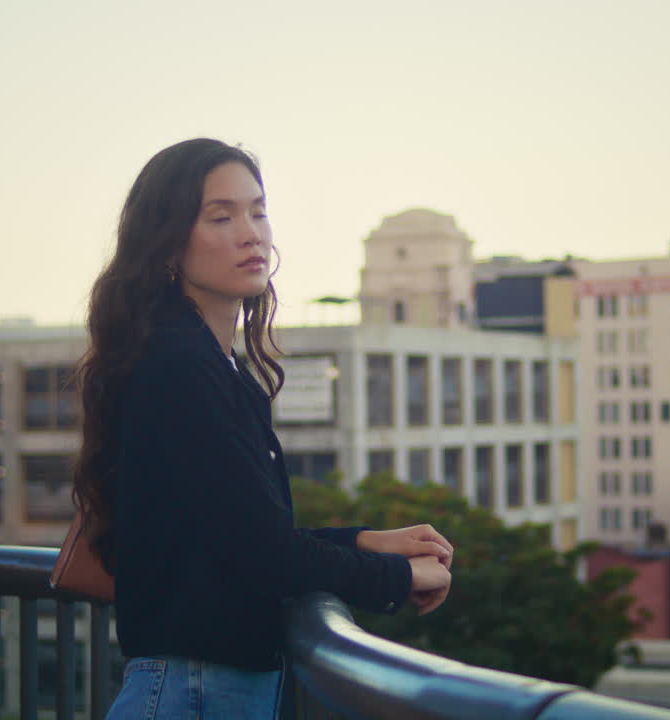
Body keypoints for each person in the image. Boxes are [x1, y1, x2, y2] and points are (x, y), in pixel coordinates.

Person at [71, 138, 454, 719]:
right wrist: (397, 576)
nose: (252, 234)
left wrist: (363, 540)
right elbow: (261, 556)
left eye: (258, 211)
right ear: (168, 242)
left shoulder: (212, 362)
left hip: (202, 690)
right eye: (221, 217)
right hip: (191, 693)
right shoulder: (179, 365)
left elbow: (234, 531)